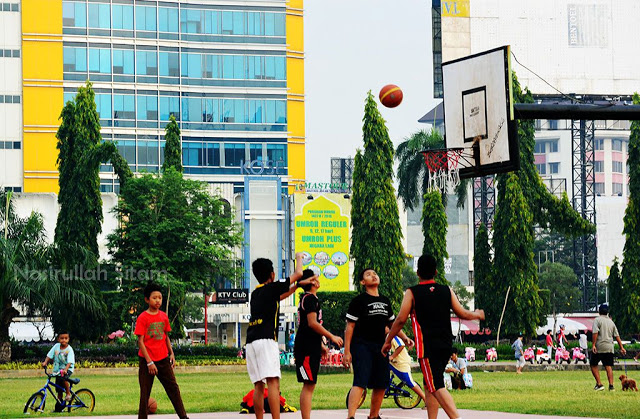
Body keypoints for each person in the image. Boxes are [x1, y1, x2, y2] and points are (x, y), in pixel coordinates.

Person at [382, 255, 485, 419]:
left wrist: (388, 341)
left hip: (428, 347)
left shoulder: (412, 293)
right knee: (428, 383)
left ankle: (455, 417)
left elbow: (400, 320)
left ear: (417, 273)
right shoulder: (446, 290)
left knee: (435, 384)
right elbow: (462, 313)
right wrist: (477, 315)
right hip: (445, 346)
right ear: (436, 272)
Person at [245, 253, 316, 419]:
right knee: (273, 384)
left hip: (251, 342)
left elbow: (281, 296)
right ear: (272, 274)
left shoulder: (256, 294)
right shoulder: (272, 288)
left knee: (258, 386)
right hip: (266, 340)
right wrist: (299, 258)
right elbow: (298, 273)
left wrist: (297, 286)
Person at [343, 268, 413, 419]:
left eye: (375, 274)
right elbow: (350, 327)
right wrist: (346, 351)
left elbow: (393, 324)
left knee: (381, 383)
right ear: (363, 282)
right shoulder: (358, 301)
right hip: (361, 346)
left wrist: (405, 338)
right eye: (368, 275)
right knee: (360, 382)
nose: (373, 276)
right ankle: (351, 416)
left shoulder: (385, 301)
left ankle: (373, 416)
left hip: (381, 348)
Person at [295, 269, 344, 419]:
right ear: (312, 282)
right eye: (315, 278)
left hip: (310, 345)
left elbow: (307, 325)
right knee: (308, 384)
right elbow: (312, 324)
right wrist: (331, 336)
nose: (318, 280)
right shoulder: (309, 299)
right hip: (306, 348)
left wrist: (321, 345)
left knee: (311, 384)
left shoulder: (310, 299)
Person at [135, 282, 188, 419]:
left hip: (163, 359)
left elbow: (166, 337)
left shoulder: (163, 316)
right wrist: (149, 362)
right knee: (145, 393)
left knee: (173, 388)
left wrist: (172, 353)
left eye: (160, 297)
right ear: (147, 299)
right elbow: (140, 342)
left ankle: (183, 417)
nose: (158, 300)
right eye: (154, 297)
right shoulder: (142, 318)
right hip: (147, 361)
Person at [387, 328, 428, 405]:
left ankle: (425, 399)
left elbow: (401, 345)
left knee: (409, 382)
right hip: (393, 363)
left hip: (402, 363)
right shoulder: (385, 337)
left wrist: (392, 356)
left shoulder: (392, 335)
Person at [590, 304, 626, 391]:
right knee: (608, 366)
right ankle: (611, 386)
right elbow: (617, 336)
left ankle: (599, 384)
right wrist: (622, 347)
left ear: (599, 311)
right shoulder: (611, 322)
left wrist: (593, 345)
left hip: (600, 346)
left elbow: (595, 333)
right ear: (607, 312)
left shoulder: (597, 320)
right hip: (609, 346)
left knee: (593, 364)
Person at [42, 331, 75, 408]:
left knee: (64, 378)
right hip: (57, 370)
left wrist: (66, 370)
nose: (64, 340)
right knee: (58, 389)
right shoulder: (56, 346)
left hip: (67, 369)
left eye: (66, 338)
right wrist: (45, 362)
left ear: (68, 339)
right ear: (58, 339)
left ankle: (68, 393)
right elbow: (50, 355)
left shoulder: (69, 349)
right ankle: (59, 407)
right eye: (62, 338)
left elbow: (70, 361)